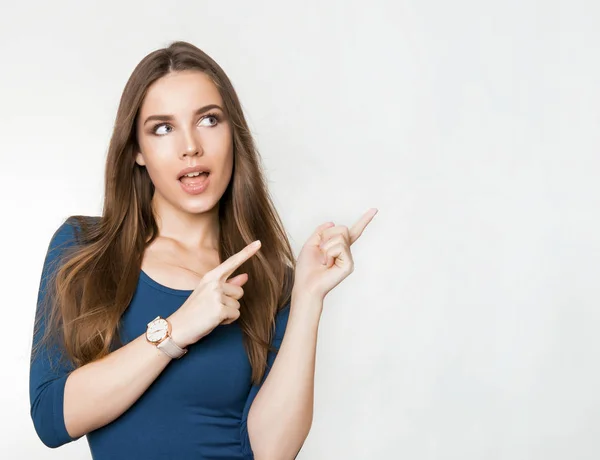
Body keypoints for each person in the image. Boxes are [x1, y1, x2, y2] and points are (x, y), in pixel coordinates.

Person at [29, 40, 377, 460]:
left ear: (233, 133)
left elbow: (271, 452)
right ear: (136, 150)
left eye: (209, 120)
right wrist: (177, 329)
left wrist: (308, 297)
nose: (190, 145)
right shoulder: (83, 249)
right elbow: (52, 418)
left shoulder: (271, 280)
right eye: (162, 127)